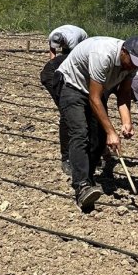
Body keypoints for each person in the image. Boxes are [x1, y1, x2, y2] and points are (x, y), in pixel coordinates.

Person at [55, 36, 138, 209]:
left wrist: (126, 121)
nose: (133, 66)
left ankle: (88, 176)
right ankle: (82, 186)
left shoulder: (132, 65)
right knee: (80, 133)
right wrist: (111, 132)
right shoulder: (103, 54)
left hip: (95, 91)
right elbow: (94, 97)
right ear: (124, 51)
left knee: (98, 138)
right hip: (72, 86)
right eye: (132, 61)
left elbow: (123, 94)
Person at [39, 24, 88, 175]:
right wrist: (54, 65)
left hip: (80, 42)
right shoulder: (53, 35)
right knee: (67, 115)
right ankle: (66, 158)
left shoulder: (75, 40)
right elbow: (54, 54)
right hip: (53, 74)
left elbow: (74, 60)